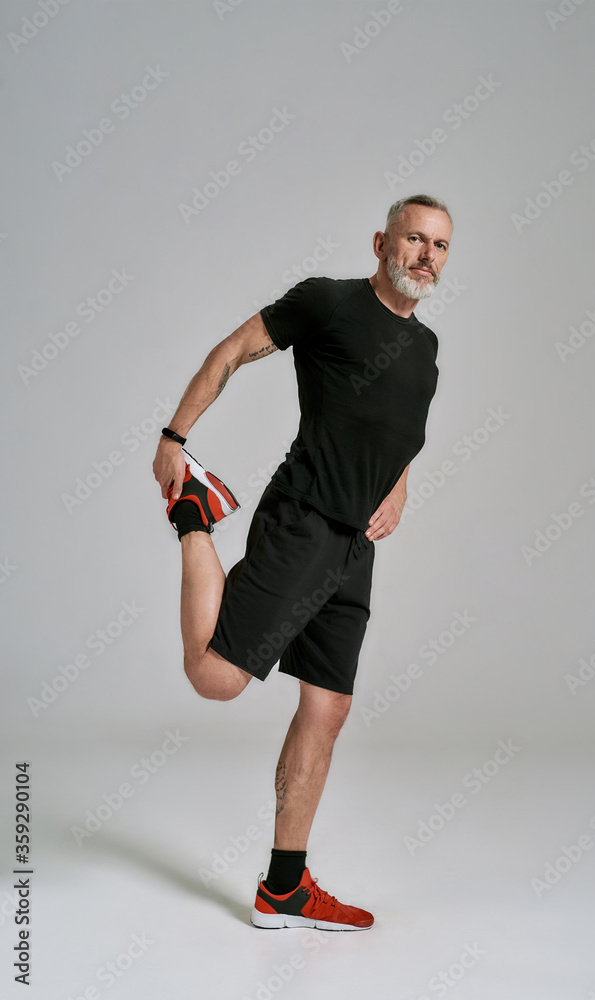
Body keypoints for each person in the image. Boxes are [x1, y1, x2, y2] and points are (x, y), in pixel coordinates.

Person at [152, 193, 453, 931]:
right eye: (414, 239)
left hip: (355, 544)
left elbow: (396, 431)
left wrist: (400, 490)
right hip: (304, 518)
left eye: (440, 246)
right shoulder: (327, 304)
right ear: (381, 241)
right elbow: (230, 351)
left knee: (328, 705)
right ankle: (194, 514)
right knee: (215, 676)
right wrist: (173, 437)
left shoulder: (425, 348)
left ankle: (283, 887)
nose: (425, 255)